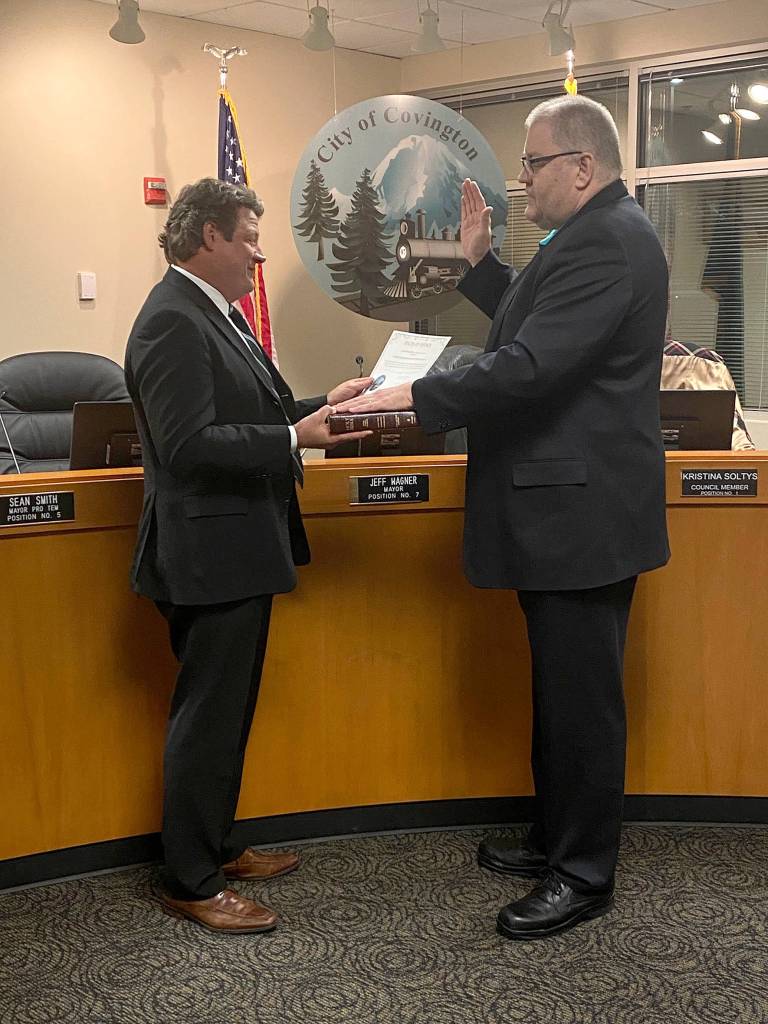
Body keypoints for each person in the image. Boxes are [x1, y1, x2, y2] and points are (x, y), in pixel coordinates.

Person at [336, 96, 670, 939]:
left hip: (581, 518)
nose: (521, 183)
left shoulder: (611, 243)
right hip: (564, 513)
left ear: (583, 167)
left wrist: (417, 397)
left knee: (583, 702)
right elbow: (538, 321)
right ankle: (554, 838)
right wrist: (481, 267)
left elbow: (528, 368)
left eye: (533, 164)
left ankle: (583, 872)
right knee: (559, 694)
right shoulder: (590, 241)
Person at [124, 177, 371, 935]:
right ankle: (191, 878)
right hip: (207, 552)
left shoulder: (214, 314)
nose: (260, 255)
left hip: (239, 546)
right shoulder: (172, 320)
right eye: (250, 238)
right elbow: (189, 446)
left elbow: (251, 411)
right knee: (207, 716)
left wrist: (320, 406)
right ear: (209, 239)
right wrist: (299, 438)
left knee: (230, 713)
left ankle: (218, 845)